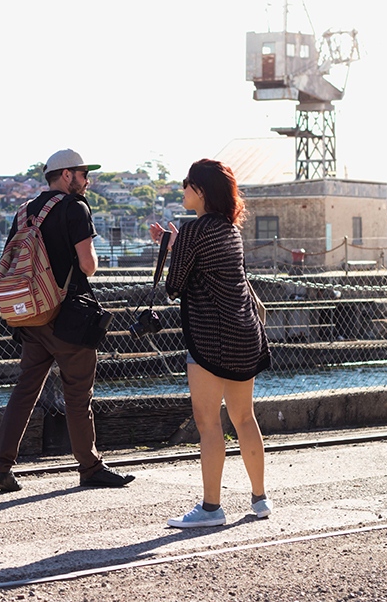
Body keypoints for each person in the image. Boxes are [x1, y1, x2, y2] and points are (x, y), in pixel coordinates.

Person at [0, 149, 135, 492]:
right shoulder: (75, 207)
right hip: (67, 315)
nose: (87, 181)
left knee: (25, 389)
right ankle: (90, 467)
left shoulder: (25, 211)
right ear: (66, 174)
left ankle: (1, 466)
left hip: (31, 314)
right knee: (78, 394)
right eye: (84, 174)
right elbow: (88, 265)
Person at [149, 158, 271, 527]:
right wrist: (175, 242)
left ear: (200, 191)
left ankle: (211, 508)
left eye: (187, 183)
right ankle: (260, 499)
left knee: (208, 423)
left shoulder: (192, 231)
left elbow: (174, 287)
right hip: (244, 334)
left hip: (208, 338)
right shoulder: (230, 230)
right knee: (244, 418)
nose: (183, 189)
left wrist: (175, 246)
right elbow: (209, 258)